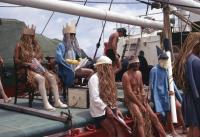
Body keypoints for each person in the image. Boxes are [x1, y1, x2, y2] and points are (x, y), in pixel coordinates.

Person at [14, 25, 67, 111]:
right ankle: (46, 104)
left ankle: (57, 101)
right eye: (29, 36)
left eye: (32, 36)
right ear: (25, 36)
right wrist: (28, 64)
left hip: (37, 68)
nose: (31, 38)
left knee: (52, 77)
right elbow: (16, 60)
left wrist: (38, 62)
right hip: (26, 70)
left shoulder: (35, 45)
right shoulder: (19, 45)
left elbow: (41, 57)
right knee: (41, 79)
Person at [122, 56, 166, 137]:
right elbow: (130, 94)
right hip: (131, 100)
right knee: (140, 120)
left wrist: (144, 95)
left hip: (140, 98)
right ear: (132, 64)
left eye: (138, 63)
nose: (138, 65)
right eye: (137, 63)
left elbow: (141, 87)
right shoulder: (126, 76)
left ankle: (164, 135)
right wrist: (140, 105)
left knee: (154, 117)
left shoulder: (139, 73)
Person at [88, 56, 129, 137]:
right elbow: (95, 98)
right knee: (113, 131)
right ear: (102, 67)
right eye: (108, 67)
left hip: (110, 108)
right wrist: (106, 108)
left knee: (121, 127)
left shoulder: (108, 78)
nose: (110, 69)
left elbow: (111, 96)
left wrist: (116, 109)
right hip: (99, 111)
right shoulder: (94, 79)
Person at [150, 52, 186, 136]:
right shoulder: (154, 70)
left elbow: (171, 83)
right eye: (165, 61)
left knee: (179, 106)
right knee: (168, 111)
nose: (167, 63)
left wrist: (174, 93)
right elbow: (152, 86)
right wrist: (151, 98)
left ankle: (184, 127)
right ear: (160, 61)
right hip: (159, 96)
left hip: (168, 94)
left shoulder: (166, 69)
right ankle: (172, 130)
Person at [174, 33, 200, 137]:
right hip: (196, 100)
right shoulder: (196, 61)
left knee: (192, 129)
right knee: (197, 129)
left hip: (188, 98)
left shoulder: (185, 60)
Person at [55, 22, 93, 87]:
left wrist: (80, 61)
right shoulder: (61, 45)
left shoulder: (73, 47)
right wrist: (67, 62)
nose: (73, 36)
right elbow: (59, 58)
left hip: (75, 69)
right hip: (65, 69)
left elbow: (78, 58)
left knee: (91, 72)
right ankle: (69, 88)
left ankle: (83, 85)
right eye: (71, 34)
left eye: (74, 35)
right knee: (71, 73)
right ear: (66, 35)